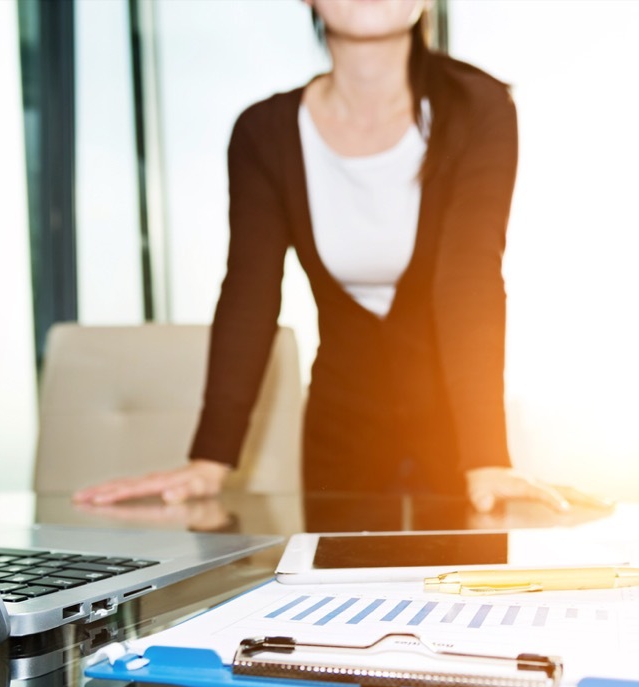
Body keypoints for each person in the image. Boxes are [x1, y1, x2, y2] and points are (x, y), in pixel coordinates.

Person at [76, 0, 576, 514]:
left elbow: (470, 278)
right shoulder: (263, 132)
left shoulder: (479, 106)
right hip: (340, 437)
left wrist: (487, 455)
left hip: (460, 440)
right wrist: (210, 458)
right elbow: (249, 292)